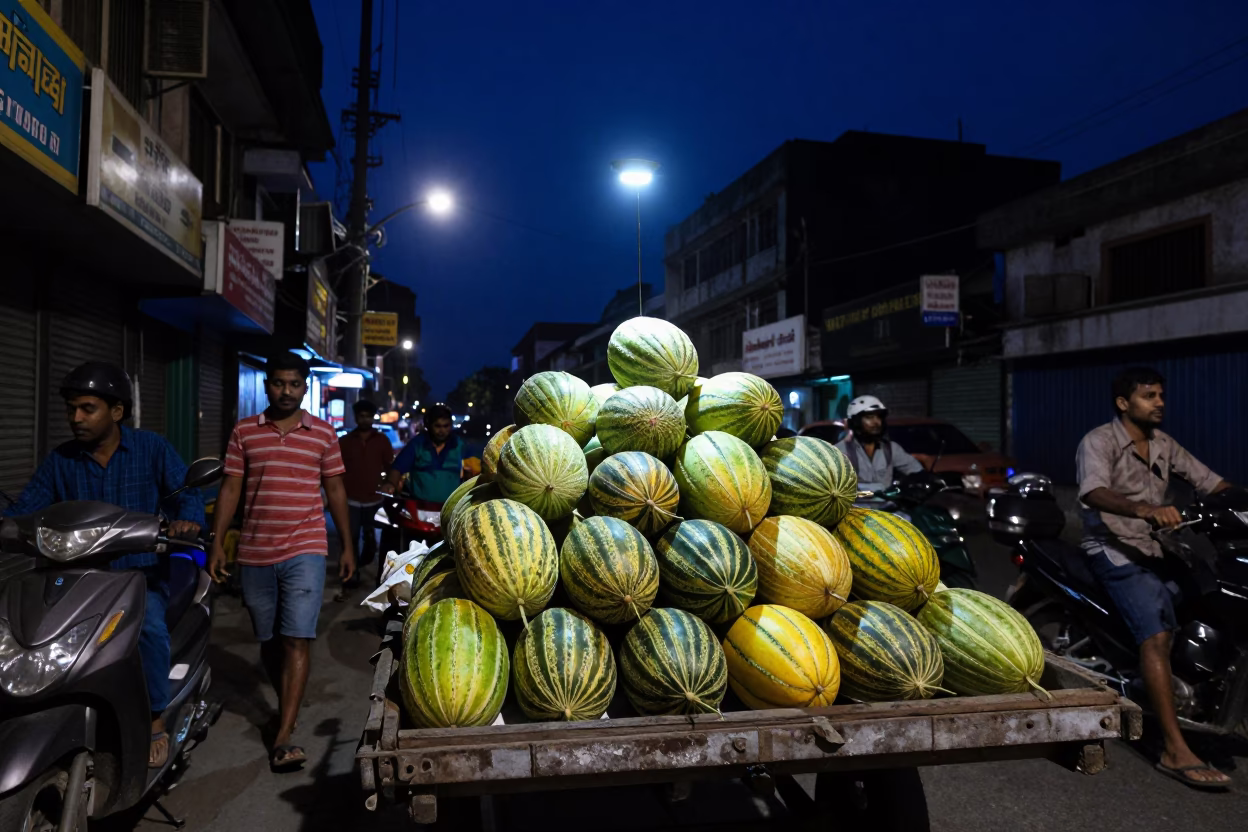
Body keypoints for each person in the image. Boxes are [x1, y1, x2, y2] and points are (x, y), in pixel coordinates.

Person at [4, 362, 205, 769]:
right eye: (72, 409)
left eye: (87, 408)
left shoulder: (150, 448)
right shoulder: (61, 460)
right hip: (73, 578)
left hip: (137, 575)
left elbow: (185, 492)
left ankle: (154, 720)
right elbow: (27, 508)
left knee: (147, 628)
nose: (75, 418)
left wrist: (187, 519)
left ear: (116, 412)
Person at [1076, 367, 1232, 790]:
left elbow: (1212, 482)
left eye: (1161, 395)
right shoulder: (1099, 441)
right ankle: (1173, 748)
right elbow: (1094, 492)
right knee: (1157, 635)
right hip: (1113, 549)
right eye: (1149, 396)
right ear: (1124, 404)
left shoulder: (1165, 444)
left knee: (1213, 601)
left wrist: (1235, 501)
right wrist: (1143, 509)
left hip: (1159, 547)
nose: (1159, 402)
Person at [206, 351, 356, 772]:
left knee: (297, 637)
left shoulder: (324, 433)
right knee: (269, 639)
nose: (286, 391)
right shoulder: (244, 432)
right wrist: (217, 544)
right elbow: (230, 489)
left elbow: (336, 491)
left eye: (294, 384)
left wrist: (346, 544)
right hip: (255, 551)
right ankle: (287, 697)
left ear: (304, 387)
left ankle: (284, 734)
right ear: (267, 385)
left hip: (306, 547)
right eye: (278, 383)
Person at [336, 399, 394, 597]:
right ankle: (349, 578)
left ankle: (370, 573)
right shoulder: (344, 442)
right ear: (356, 417)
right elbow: (336, 471)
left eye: (368, 416)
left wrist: (391, 483)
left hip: (374, 501)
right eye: (361, 416)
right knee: (349, 540)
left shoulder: (382, 440)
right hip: (350, 501)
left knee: (372, 544)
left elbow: (391, 467)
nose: (365, 419)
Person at [834, 395, 924, 494]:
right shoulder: (840, 451)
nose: (876, 422)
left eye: (879, 417)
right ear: (856, 422)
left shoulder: (891, 448)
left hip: (888, 507)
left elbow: (915, 470)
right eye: (869, 417)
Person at [384, 405, 465, 505]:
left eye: (446, 426)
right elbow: (397, 468)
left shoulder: (459, 444)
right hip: (419, 508)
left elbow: (476, 467)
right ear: (429, 426)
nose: (442, 431)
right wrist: (390, 484)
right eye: (437, 426)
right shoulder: (418, 444)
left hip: (450, 509)